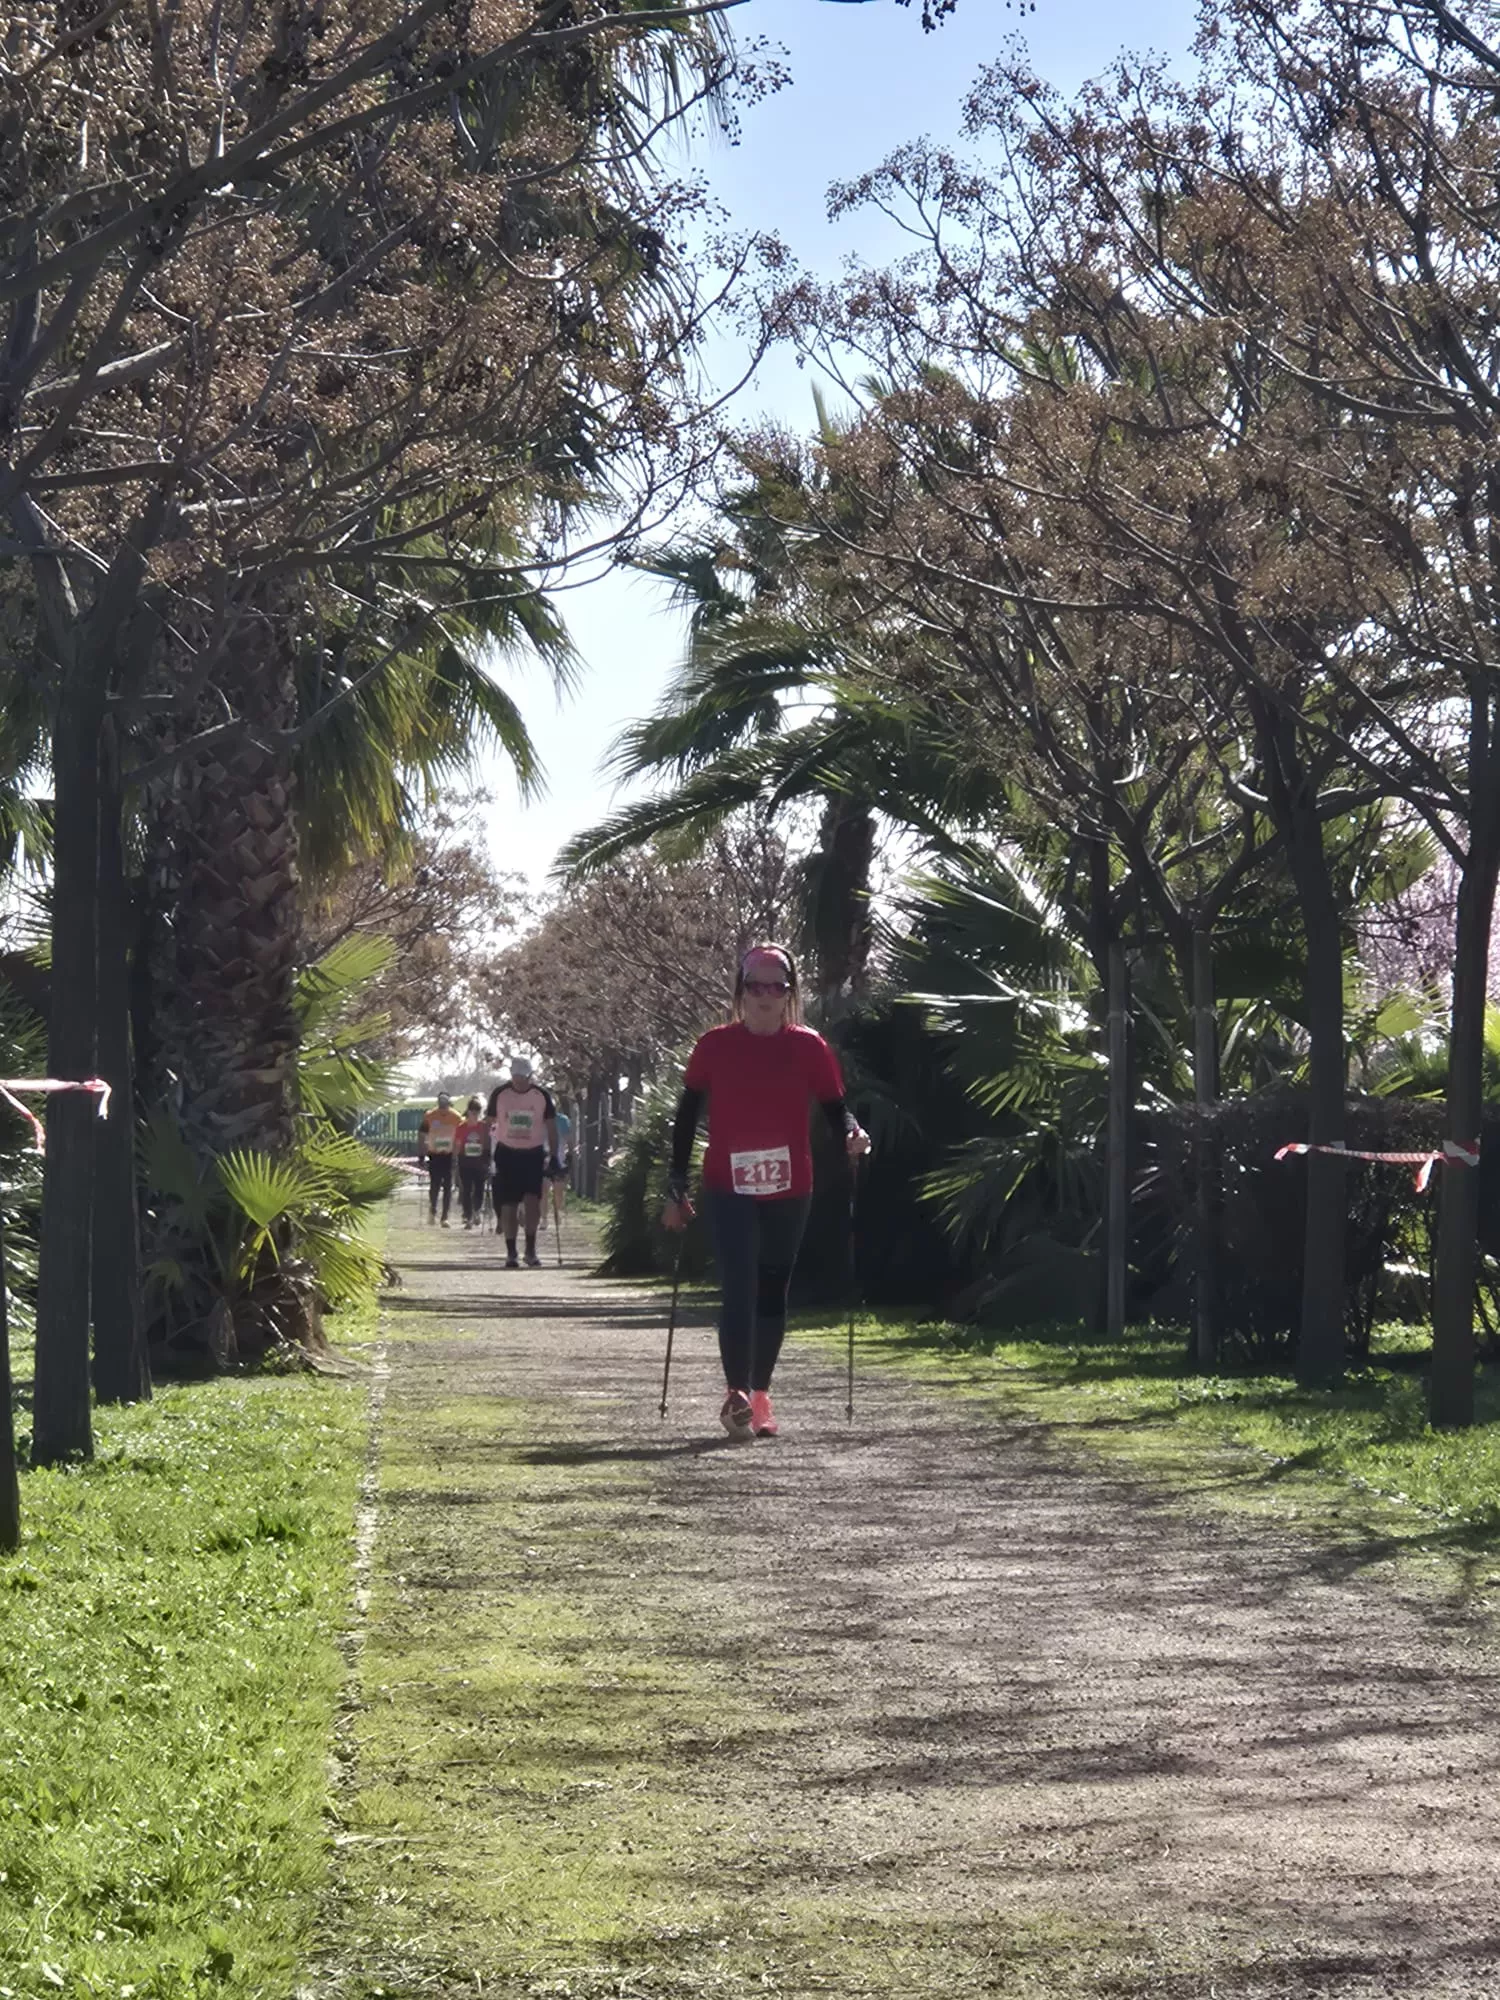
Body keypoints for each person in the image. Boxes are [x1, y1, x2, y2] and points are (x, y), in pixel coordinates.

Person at [662, 943, 869, 1441]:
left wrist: (854, 1134)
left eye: (776, 985)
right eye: (755, 985)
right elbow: (688, 1115)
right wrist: (675, 1184)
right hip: (726, 1185)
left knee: (773, 1289)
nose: (765, 995)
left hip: (790, 1185)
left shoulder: (809, 1046)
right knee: (738, 1285)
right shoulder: (714, 1045)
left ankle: (760, 1394)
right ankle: (735, 1390)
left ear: (789, 993)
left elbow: (836, 1107)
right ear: (741, 990)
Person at [486, 1057, 561, 1268]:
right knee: (508, 1204)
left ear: (530, 1076)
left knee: (532, 1202)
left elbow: (552, 1127)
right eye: (514, 1077)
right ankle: (511, 1252)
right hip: (507, 1153)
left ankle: (530, 1249)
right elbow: (489, 1122)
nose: (518, 1081)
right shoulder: (500, 1094)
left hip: (533, 1154)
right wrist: (485, 1150)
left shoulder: (541, 1096)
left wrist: (554, 1156)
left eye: (522, 1077)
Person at [417, 1090, 462, 1226]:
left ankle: (445, 1217)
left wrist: (457, 1155)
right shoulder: (430, 1116)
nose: (443, 1106)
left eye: (445, 1103)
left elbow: (460, 1138)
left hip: (449, 1156)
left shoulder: (456, 1117)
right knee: (434, 1185)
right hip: (434, 1155)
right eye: (440, 1103)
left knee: (448, 1186)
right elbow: (421, 1135)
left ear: (449, 1103)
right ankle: (433, 1210)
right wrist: (421, 1155)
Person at [454, 1095, 493, 1229]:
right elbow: (458, 1145)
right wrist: (455, 1159)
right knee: (466, 1189)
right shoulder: (461, 1127)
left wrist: (487, 1157)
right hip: (465, 1160)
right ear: (468, 1112)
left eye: (477, 1112)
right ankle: (468, 1215)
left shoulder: (484, 1127)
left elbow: (488, 1142)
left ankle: (477, 1211)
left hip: (480, 1160)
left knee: (479, 1188)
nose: (475, 1115)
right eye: (472, 1112)